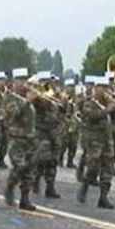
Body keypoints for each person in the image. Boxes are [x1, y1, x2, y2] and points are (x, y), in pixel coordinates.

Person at [2, 68, 38, 210]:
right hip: (16, 137)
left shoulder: (30, 96)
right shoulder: (9, 97)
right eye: (20, 80)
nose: (23, 83)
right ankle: (10, 187)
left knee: (29, 171)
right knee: (20, 166)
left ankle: (25, 198)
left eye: (25, 80)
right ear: (14, 82)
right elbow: (13, 113)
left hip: (30, 139)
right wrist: (27, 102)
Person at [76, 76, 115, 209]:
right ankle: (84, 187)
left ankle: (103, 197)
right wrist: (107, 109)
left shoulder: (108, 102)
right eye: (101, 88)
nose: (104, 91)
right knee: (92, 167)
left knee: (108, 168)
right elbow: (92, 116)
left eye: (106, 88)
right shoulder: (89, 102)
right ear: (95, 88)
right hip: (93, 140)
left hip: (106, 139)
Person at [32, 71, 65, 199]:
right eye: (46, 81)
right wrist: (45, 93)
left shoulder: (54, 95)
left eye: (51, 81)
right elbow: (39, 104)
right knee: (42, 159)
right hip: (41, 132)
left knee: (53, 161)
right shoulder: (37, 95)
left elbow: (63, 111)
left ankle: (50, 187)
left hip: (54, 132)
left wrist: (62, 100)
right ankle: (35, 180)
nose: (50, 83)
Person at [60, 78, 79, 168]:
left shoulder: (76, 99)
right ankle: (60, 160)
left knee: (73, 144)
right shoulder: (63, 98)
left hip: (74, 124)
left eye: (72, 87)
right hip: (65, 124)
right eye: (69, 87)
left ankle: (70, 161)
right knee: (63, 143)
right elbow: (60, 111)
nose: (71, 89)